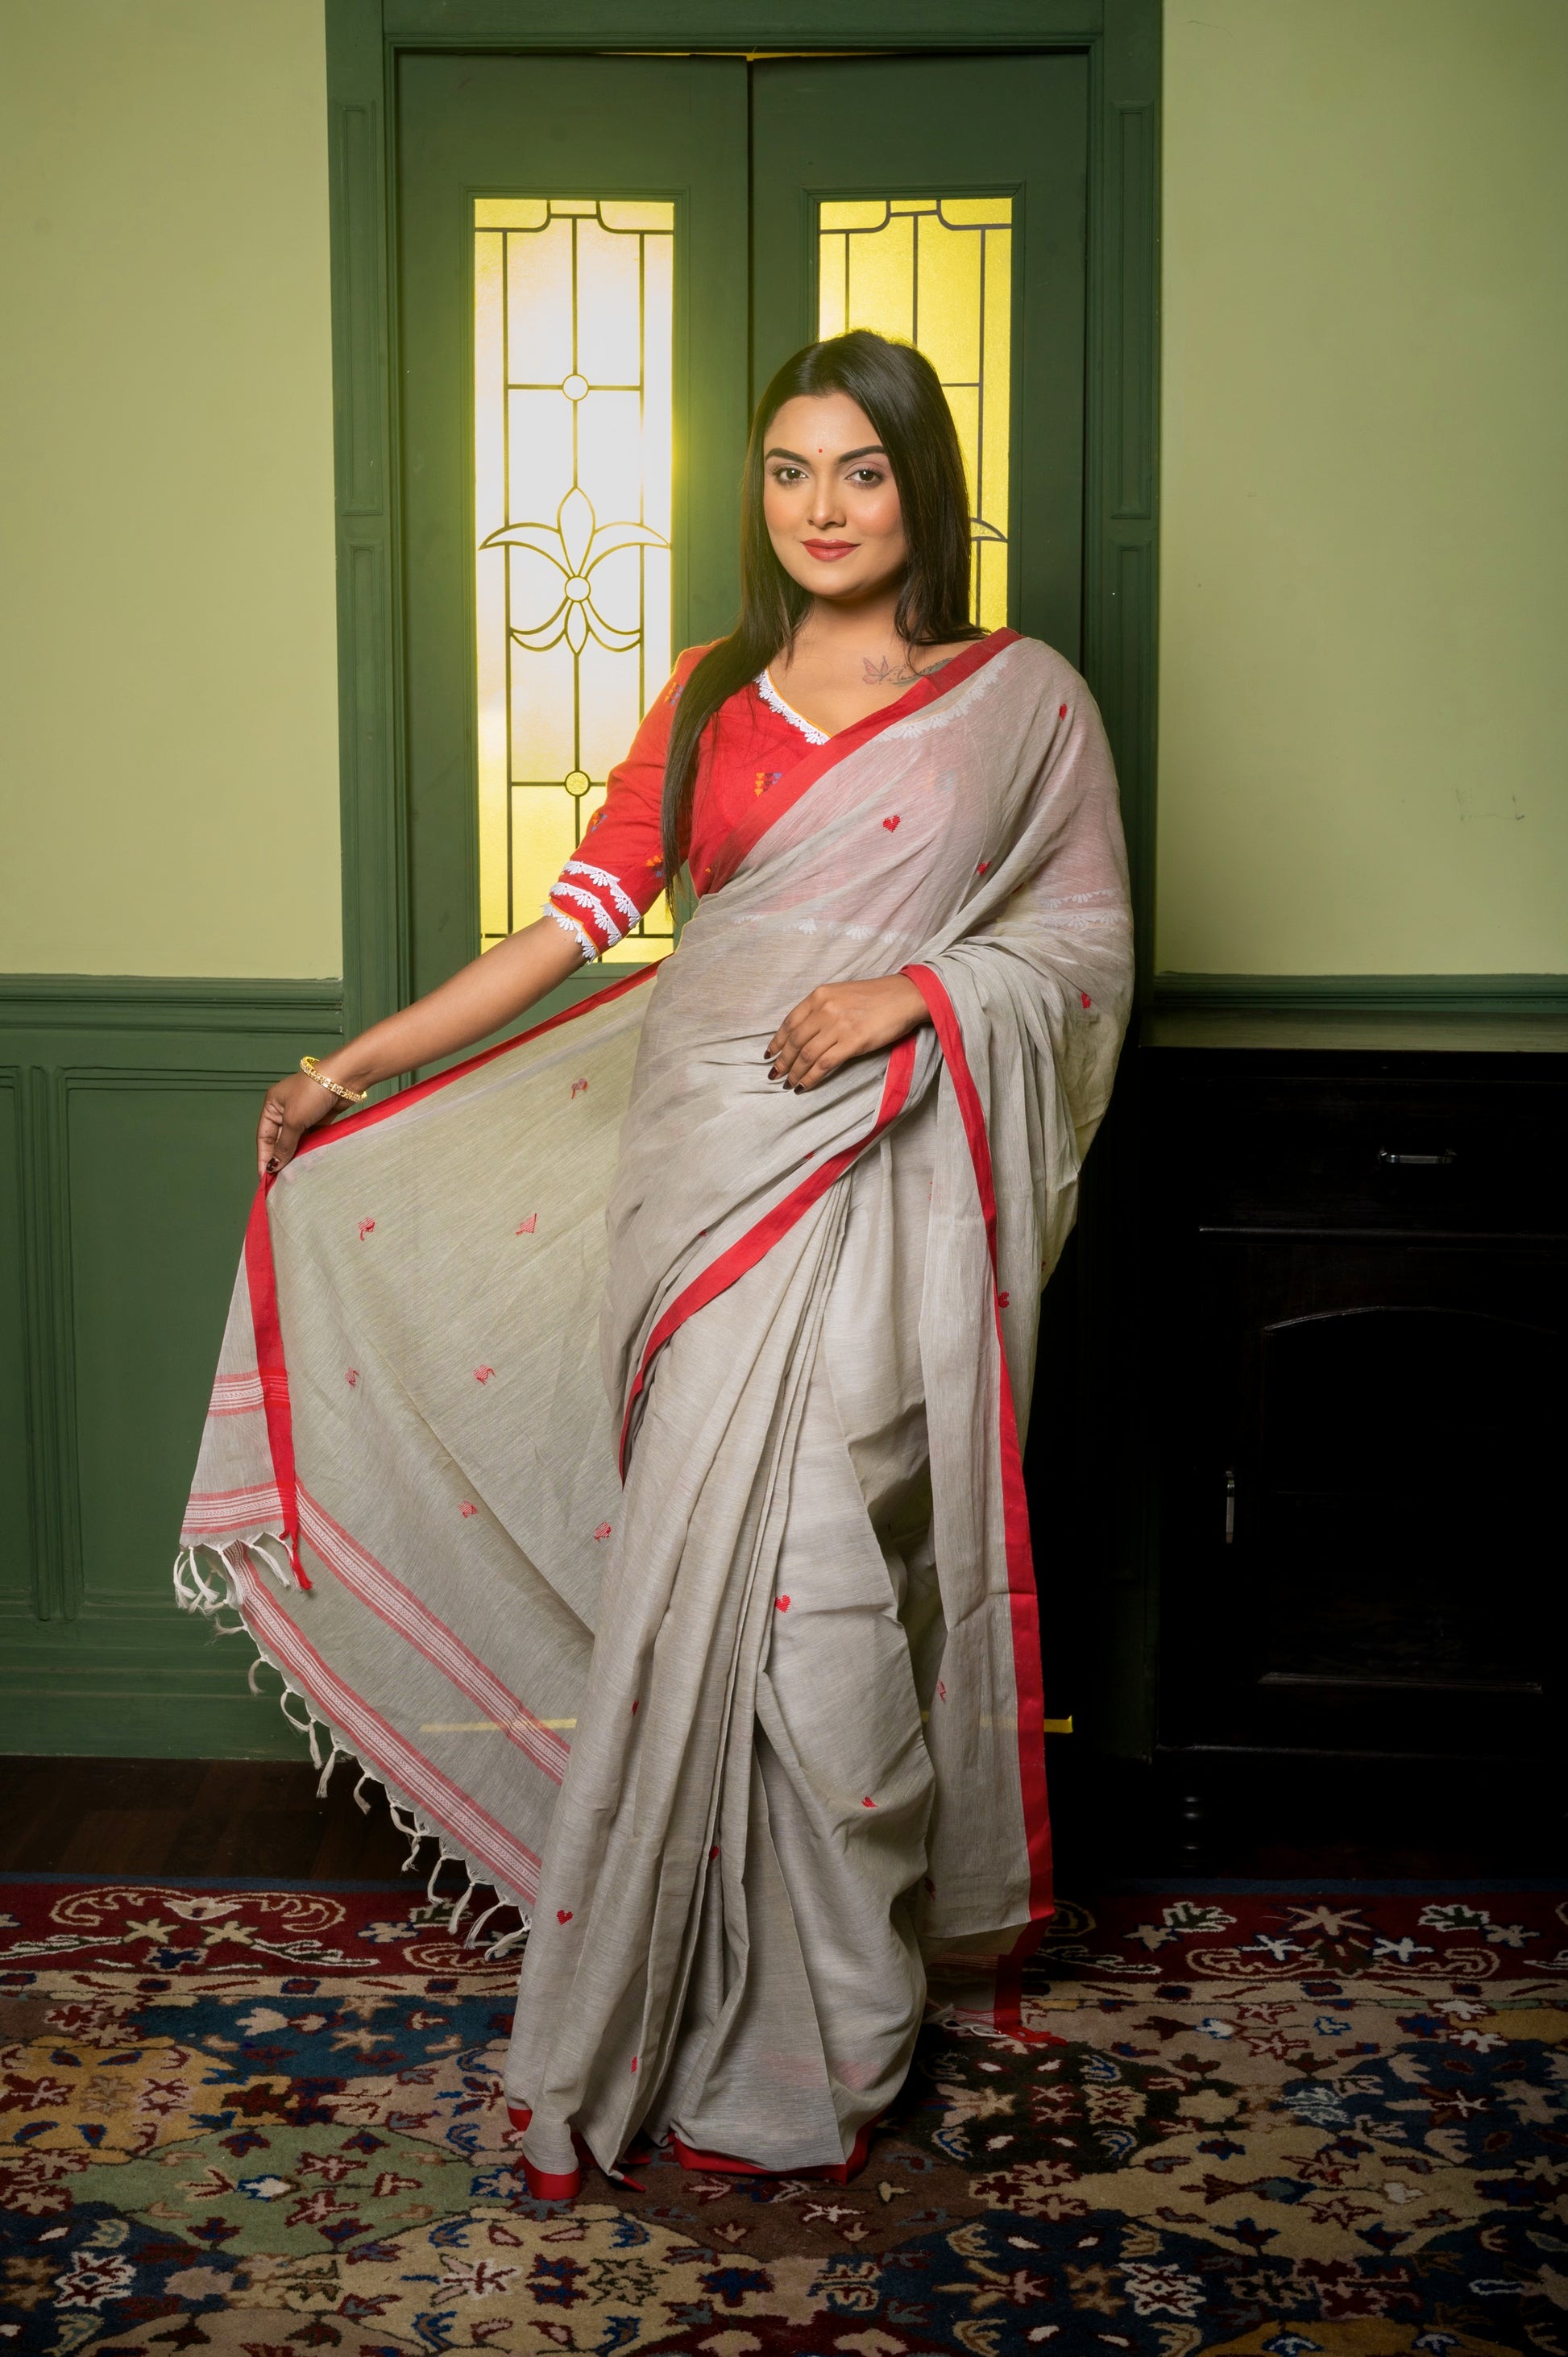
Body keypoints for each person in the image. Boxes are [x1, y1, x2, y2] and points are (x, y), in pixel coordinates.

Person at [176, 330, 1133, 2201]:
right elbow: (570, 933)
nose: (822, 508)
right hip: (692, 1191)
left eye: (858, 470)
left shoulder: (1021, 701)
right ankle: (711, 1996)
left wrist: (913, 992)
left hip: (878, 1190)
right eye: (788, 471)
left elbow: (1085, 948)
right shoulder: (706, 698)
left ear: (919, 486)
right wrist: (349, 1065)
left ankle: (848, 2009)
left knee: (822, 1605)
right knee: (734, 1596)